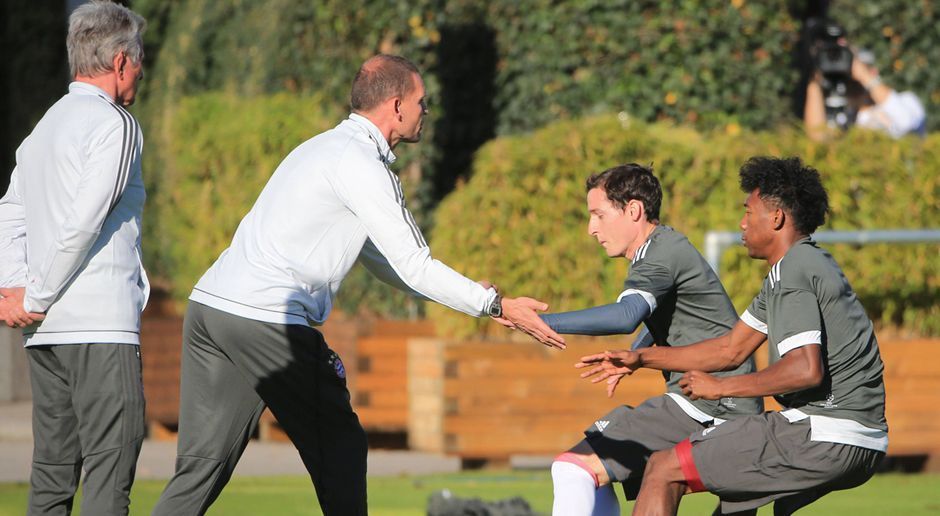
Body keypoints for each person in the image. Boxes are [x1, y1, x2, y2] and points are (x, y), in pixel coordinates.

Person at [151, 54, 562, 516]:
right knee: (341, 446)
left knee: (201, 467)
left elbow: (386, 261)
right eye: (421, 102)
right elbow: (414, 262)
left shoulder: (324, 147)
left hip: (211, 310)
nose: (427, 111)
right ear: (396, 105)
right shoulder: (361, 161)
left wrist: (476, 298)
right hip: (265, 319)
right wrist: (494, 304)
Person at [580, 156, 887, 515]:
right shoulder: (798, 268)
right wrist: (643, 358)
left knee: (664, 468)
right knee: (737, 495)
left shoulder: (795, 270)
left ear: (776, 218)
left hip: (824, 432)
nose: (741, 224)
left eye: (749, 212)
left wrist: (722, 388)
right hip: (857, 437)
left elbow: (805, 369)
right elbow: (730, 349)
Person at [509, 164, 762, 515]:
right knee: (593, 469)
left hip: (708, 405)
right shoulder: (662, 247)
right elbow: (662, 317)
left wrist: (537, 321)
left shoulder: (660, 254)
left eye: (598, 214)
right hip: (719, 405)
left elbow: (626, 315)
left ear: (633, 210)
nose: (590, 228)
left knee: (573, 468)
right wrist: (634, 354)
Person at [0, 2, 149, 514]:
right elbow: (84, 221)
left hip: (45, 333)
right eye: (139, 60)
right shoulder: (117, 123)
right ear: (121, 62)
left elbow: (9, 211)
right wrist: (33, 293)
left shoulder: (43, 128)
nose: (140, 71)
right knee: (110, 481)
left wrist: (16, 290)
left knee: (50, 482)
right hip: (99, 328)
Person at [805, 49, 926, 141]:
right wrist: (815, 83)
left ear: (873, 72)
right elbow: (818, 138)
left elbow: (905, 123)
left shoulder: (907, 100)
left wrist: (864, 76)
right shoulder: (842, 115)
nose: (853, 81)